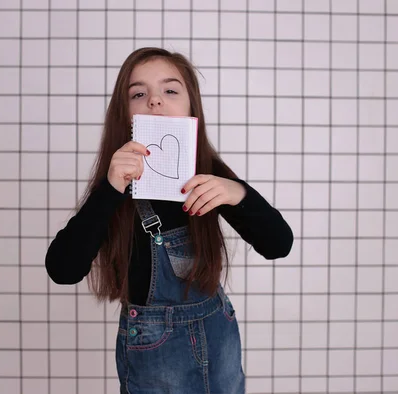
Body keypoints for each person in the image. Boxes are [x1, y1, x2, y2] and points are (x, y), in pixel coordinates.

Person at [45, 47, 293, 394]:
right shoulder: (116, 187)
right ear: (125, 113)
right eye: (139, 93)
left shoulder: (211, 177)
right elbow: (62, 269)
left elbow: (279, 244)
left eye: (170, 90)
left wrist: (239, 193)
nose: (155, 101)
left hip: (219, 344)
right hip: (153, 354)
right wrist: (111, 188)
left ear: (192, 107)